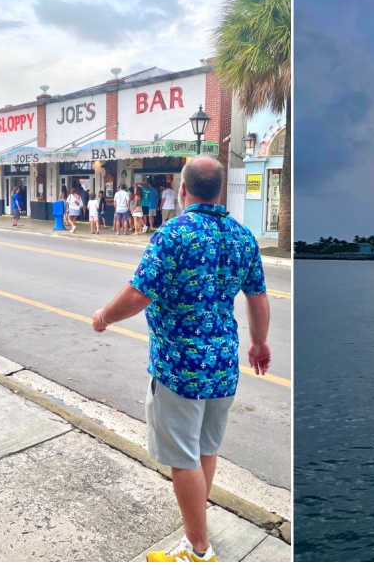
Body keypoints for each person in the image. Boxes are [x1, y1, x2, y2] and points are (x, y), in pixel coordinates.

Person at [92, 156, 270, 563]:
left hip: (180, 368)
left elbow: (139, 294)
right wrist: (259, 344)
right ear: (219, 190)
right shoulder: (243, 237)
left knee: (182, 458)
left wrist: (104, 316)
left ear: (184, 190)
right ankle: (199, 532)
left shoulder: (173, 234)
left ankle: (197, 549)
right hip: (223, 364)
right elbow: (257, 298)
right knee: (205, 449)